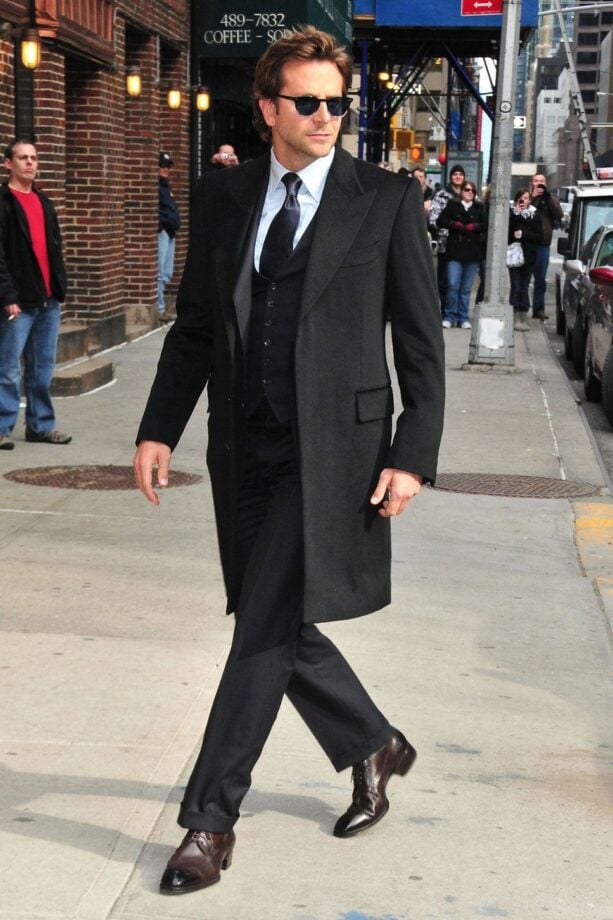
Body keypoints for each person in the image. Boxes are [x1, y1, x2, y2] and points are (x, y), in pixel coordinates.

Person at [134, 25, 444, 898]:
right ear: (267, 107)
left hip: (336, 455)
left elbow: (420, 345)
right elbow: (198, 326)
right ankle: (372, 742)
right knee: (272, 621)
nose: (324, 117)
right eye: (305, 102)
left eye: (336, 103)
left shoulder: (383, 199)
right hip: (244, 448)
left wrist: (412, 454)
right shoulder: (225, 195)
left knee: (262, 631)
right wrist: (157, 428)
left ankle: (209, 821)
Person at [0, 139, 70, 450]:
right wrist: (7, 295)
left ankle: (41, 426)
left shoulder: (45, 203)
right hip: (18, 300)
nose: (30, 163)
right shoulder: (3, 202)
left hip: (48, 300)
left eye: (33, 158)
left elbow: (54, 249)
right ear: (7, 163)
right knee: (8, 368)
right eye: (22, 158)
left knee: (42, 369)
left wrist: (59, 288)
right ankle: (2, 427)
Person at [436, 179, 486, 329]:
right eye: (466, 189)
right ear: (462, 191)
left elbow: (486, 224)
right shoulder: (453, 205)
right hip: (455, 251)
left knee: (465, 288)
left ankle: (463, 317)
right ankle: (449, 316)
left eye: (472, 190)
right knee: (452, 285)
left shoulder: (479, 207)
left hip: (472, 253)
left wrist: (475, 226)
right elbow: (441, 220)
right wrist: (454, 224)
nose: (469, 192)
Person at [429, 163, 466, 310]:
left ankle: (456, 310)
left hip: (465, 243)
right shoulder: (441, 195)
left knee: (461, 282)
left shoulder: (468, 194)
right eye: (455, 174)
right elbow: (434, 218)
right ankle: (444, 309)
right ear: (451, 177)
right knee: (444, 279)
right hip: (445, 243)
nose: (458, 177)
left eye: (460, 174)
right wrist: (449, 227)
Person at [508, 187, 544, 331]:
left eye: (527, 198)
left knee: (524, 286)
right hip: (514, 256)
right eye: (521, 198)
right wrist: (517, 213)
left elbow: (539, 235)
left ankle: (523, 315)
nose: (524, 201)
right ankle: (515, 316)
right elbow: (509, 232)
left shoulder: (535, 215)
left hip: (529, 256)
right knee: (515, 286)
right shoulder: (512, 213)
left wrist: (523, 234)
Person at [529, 173, 563, 321]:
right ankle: (520, 308)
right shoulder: (527, 196)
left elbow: (559, 215)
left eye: (541, 181)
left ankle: (538, 309)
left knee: (540, 279)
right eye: (536, 181)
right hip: (527, 243)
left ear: (546, 183)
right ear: (532, 183)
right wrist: (533, 197)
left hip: (543, 244)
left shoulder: (550, 198)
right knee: (523, 278)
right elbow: (522, 211)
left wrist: (548, 198)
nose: (539, 183)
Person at [158, 152, 181, 322]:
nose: (166, 169)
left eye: (168, 166)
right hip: (163, 232)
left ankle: (161, 306)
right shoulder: (157, 186)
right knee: (159, 272)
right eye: (163, 166)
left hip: (170, 232)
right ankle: (159, 308)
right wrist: (164, 224)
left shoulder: (165, 186)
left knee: (167, 272)